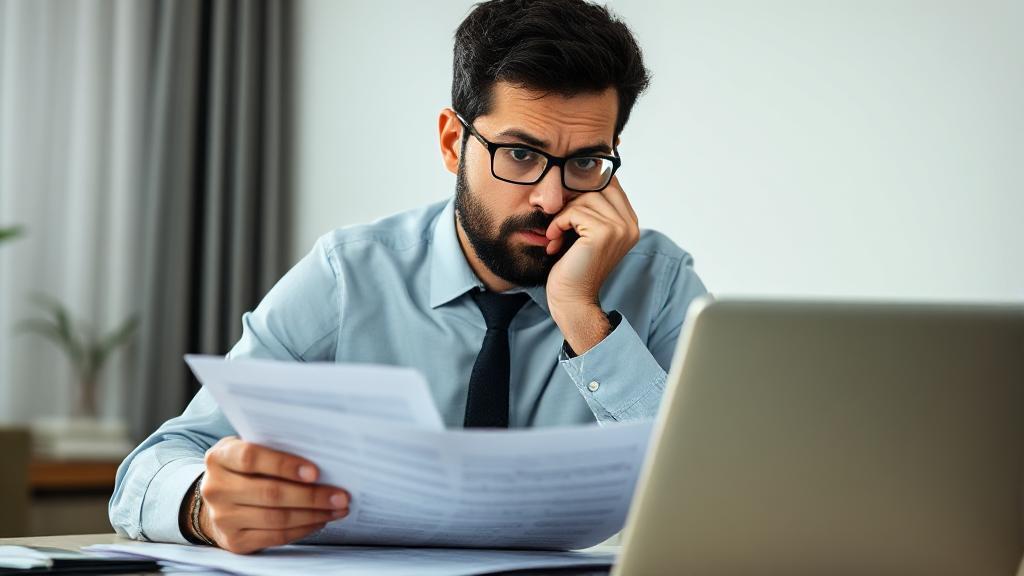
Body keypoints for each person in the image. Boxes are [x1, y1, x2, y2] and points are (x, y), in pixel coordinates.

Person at [109, 0, 707, 554]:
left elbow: (716, 496)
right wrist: (202, 509)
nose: (551, 197)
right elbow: (152, 467)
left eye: (584, 162)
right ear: (453, 142)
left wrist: (583, 316)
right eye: (521, 155)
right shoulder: (350, 276)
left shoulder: (661, 283)